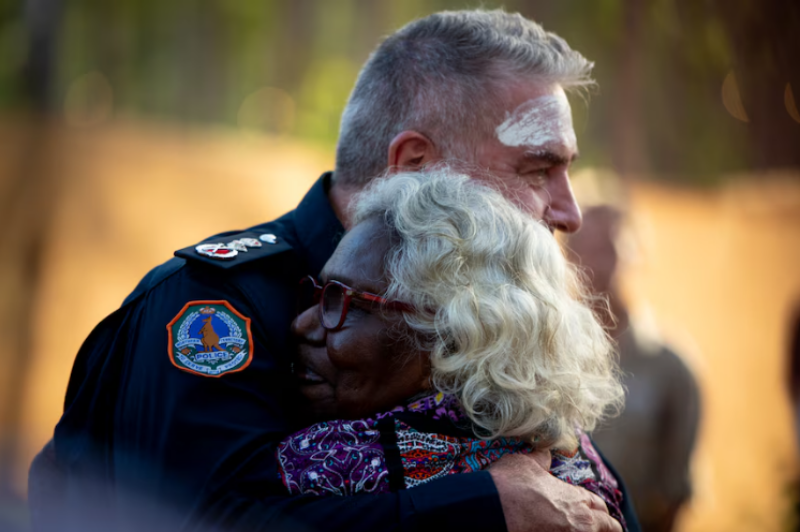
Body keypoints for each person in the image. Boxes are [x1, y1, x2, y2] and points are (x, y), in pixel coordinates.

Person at [31, 9, 639, 532]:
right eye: (537, 170)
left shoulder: (489, 321)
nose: (570, 211)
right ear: (415, 166)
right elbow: (206, 519)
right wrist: (479, 508)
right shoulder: (216, 304)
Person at [279, 169, 628, 531]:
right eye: (320, 295)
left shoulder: (320, 482)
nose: (301, 324)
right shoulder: (578, 467)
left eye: (347, 303)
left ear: (452, 340)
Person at [565, 204, 700, 532]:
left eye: (608, 248)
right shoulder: (543, 355)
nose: (596, 263)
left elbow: (676, 489)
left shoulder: (670, 366)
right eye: (584, 248)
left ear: (633, 254)